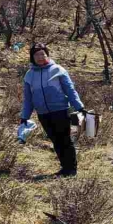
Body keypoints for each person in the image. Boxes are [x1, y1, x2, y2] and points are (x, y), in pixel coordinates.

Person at [20, 43, 86, 178]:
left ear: (47, 55)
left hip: (60, 110)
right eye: (37, 55)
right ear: (32, 58)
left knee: (65, 139)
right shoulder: (29, 75)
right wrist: (25, 116)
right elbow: (28, 98)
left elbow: (70, 90)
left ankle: (71, 170)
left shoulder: (58, 70)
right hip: (43, 113)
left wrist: (79, 107)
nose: (40, 57)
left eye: (42, 54)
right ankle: (64, 168)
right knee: (55, 140)